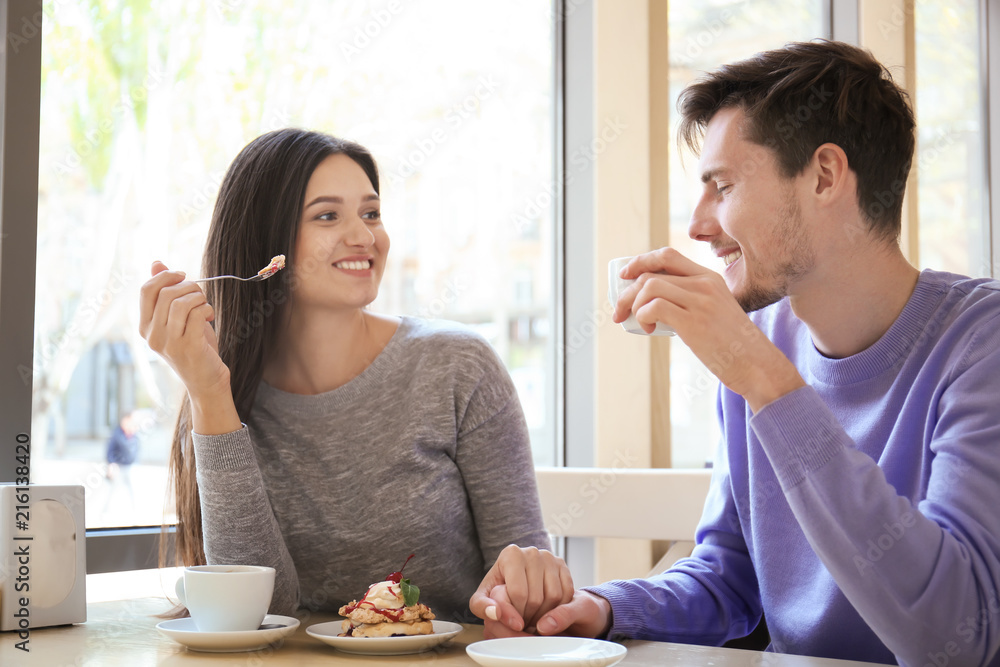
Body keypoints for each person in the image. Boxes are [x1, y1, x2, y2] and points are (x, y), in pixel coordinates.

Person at [470, 39, 1000, 665]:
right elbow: (730, 582)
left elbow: (957, 632)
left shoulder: (979, 344)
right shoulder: (762, 346)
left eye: (721, 186)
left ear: (825, 175)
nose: (697, 224)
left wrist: (762, 379)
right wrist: (602, 609)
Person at [139, 128, 549, 621]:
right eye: (328, 215)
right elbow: (255, 614)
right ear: (268, 247)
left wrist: (530, 591)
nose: (364, 236)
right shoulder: (218, 401)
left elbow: (525, 587)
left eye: (371, 213)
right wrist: (208, 394)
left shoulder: (457, 367)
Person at [103, 410, 139, 512]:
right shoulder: (117, 434)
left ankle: (135, 511)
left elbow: (135, 450)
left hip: (130, 466)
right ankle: (106, 511)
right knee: (113, 490)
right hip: (119, 467)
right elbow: (110, 451)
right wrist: (112, 464)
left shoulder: (133, 434)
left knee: (133, 490)